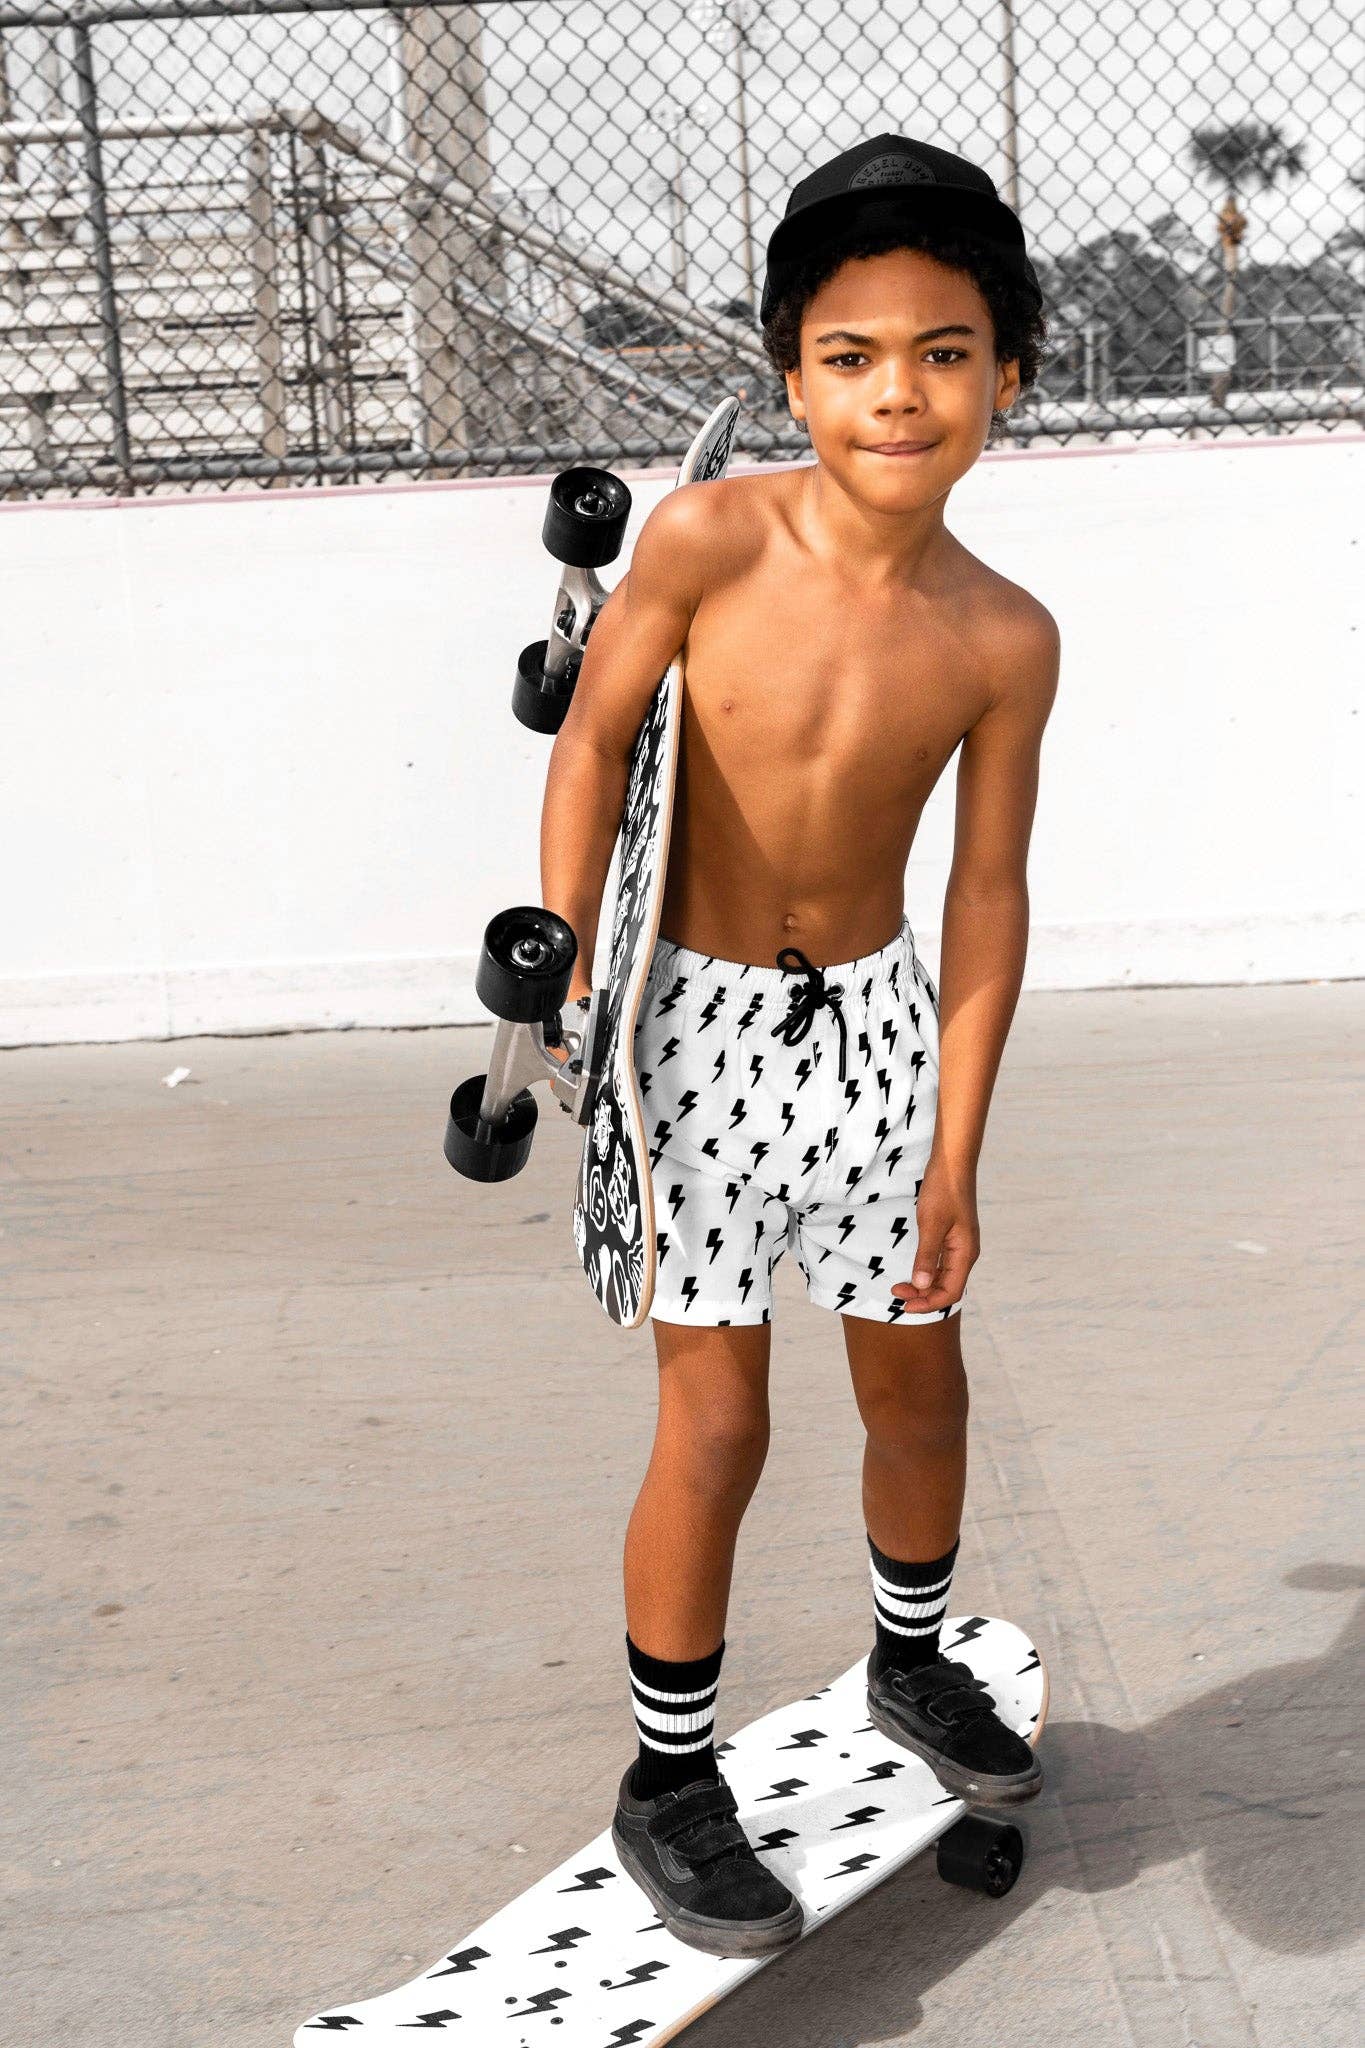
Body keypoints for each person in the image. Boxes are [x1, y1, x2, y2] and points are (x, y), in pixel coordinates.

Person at [539, 132, 1059, 1957]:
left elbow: (984, 893)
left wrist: (955, 1145)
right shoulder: (708, 541)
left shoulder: (1003, 636)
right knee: (720, 1417)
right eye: (849, 356)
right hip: (687, 1036)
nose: (895, 393)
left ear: (1006, 374)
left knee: (920, 1388)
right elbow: (596, 739)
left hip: (879, 1042)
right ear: (789, 376)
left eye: (941, 351)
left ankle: (907, 1664)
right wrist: (573, 962)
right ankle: (668, 1781)